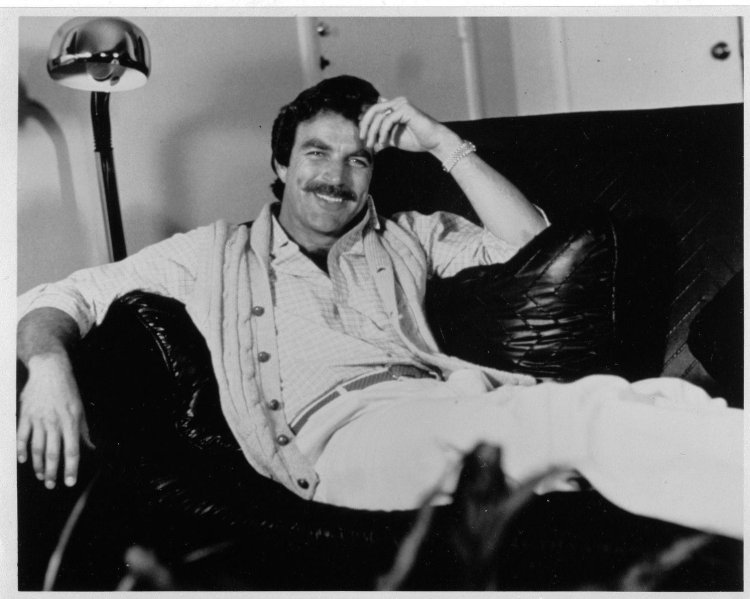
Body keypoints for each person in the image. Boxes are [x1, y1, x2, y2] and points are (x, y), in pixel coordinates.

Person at [17, 75, 742, 540]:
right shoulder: (212, 253)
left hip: (449, 404)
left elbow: (532, 246)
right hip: (340, 443)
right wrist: (47, 365)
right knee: (578, 420)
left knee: (661, 400)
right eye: (316, 153)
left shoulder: (406, 235)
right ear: (280, 165)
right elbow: (65, 296)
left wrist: (443, 144)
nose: (336, 176)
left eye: (357, 159)